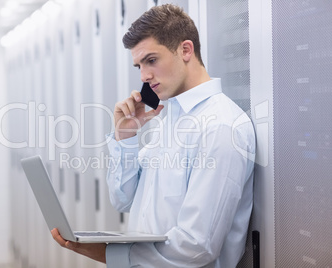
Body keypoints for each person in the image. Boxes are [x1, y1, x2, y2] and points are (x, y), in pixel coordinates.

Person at [51, 4, 256, 267]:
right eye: (139, 65)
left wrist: (107, 254)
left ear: (185, 50)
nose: (144, 76)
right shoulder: (170, 117)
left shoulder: (221, 127)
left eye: (151, 60)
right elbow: (123, 199)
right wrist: (126, 138)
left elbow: (197, 246)